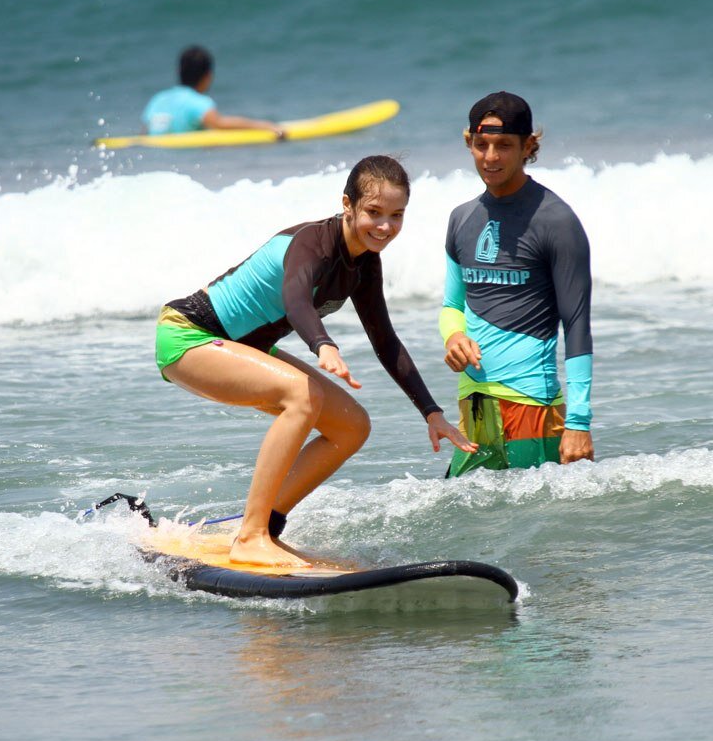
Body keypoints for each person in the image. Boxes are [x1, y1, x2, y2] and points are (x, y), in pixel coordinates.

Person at [157, 155, 476, 567]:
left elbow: (385, 340)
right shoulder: (311, 244)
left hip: (244, 348)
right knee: (300, 395)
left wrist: (431, 412)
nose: (385, 227)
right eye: (374, 213)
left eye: (397, 216)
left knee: (352, 426)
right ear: (348, 205)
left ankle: (264, 525)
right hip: (189, 335)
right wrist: (322, 344)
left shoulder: (364, 264)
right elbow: (294, 299)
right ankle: (250, 536)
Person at [440, 91, 595, 477]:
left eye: (504, 146)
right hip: (473, 407)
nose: (490, 157)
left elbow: (577, 324)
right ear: (469, 144)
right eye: (481, 145)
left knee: (544, 533)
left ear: (528, 146)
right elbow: (451, 306)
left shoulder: (555, 220)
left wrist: (578, 422)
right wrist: (453, 338)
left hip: (532, 408)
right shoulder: (461, 219)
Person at [142, 45, 283, 137]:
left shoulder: (157, 99)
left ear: (179, 71)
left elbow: (145, 133)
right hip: (187, 165)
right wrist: (265, 126)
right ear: (208, 76)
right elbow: (219, 124)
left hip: (158, 168)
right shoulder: (198, 102)